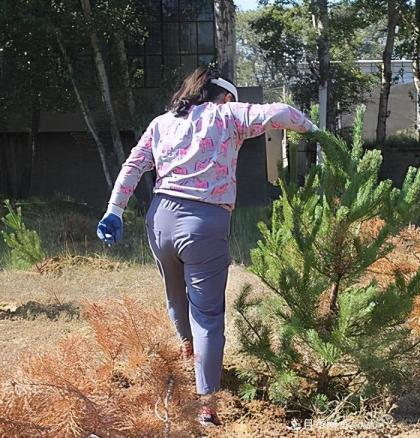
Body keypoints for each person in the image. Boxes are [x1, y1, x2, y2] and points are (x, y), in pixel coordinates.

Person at [96, 65, 317, 425]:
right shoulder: (228, 114)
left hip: (160, 218)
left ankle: (187, 350)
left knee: (175, 294)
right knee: (209, 316)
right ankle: (207, 405)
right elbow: (281, 113)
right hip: (204, 222)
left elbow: (134, 165)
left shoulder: (161, 123)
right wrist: (314, 130)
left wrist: (114, 211)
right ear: (225, 96)